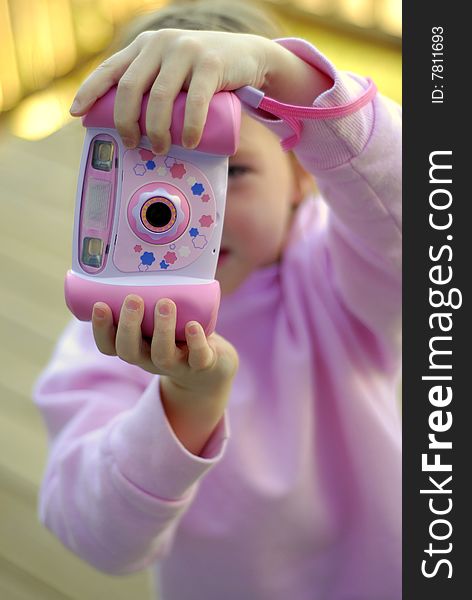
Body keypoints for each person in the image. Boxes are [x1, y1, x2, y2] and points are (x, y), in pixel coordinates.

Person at [33, 1, 402, 598]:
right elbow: (95, 535)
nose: (198, 214)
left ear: (303, 176)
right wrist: (184, 404)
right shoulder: (113, 335)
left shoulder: (343, 273)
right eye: (159, 181)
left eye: (233, 171)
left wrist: (287, 78)